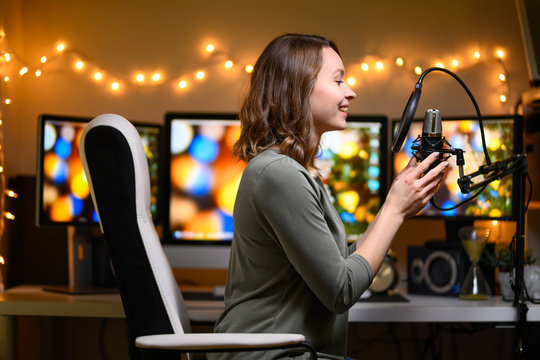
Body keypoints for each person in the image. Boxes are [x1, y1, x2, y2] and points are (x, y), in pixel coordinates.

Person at [210, 33, 448, 360]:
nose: (351, 91)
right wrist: (393, 209)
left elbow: (337, 266)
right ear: (298, 88)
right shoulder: (280, 175)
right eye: (338, 81)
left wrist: (399, 204)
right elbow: (341, 289)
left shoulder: (295, 172)